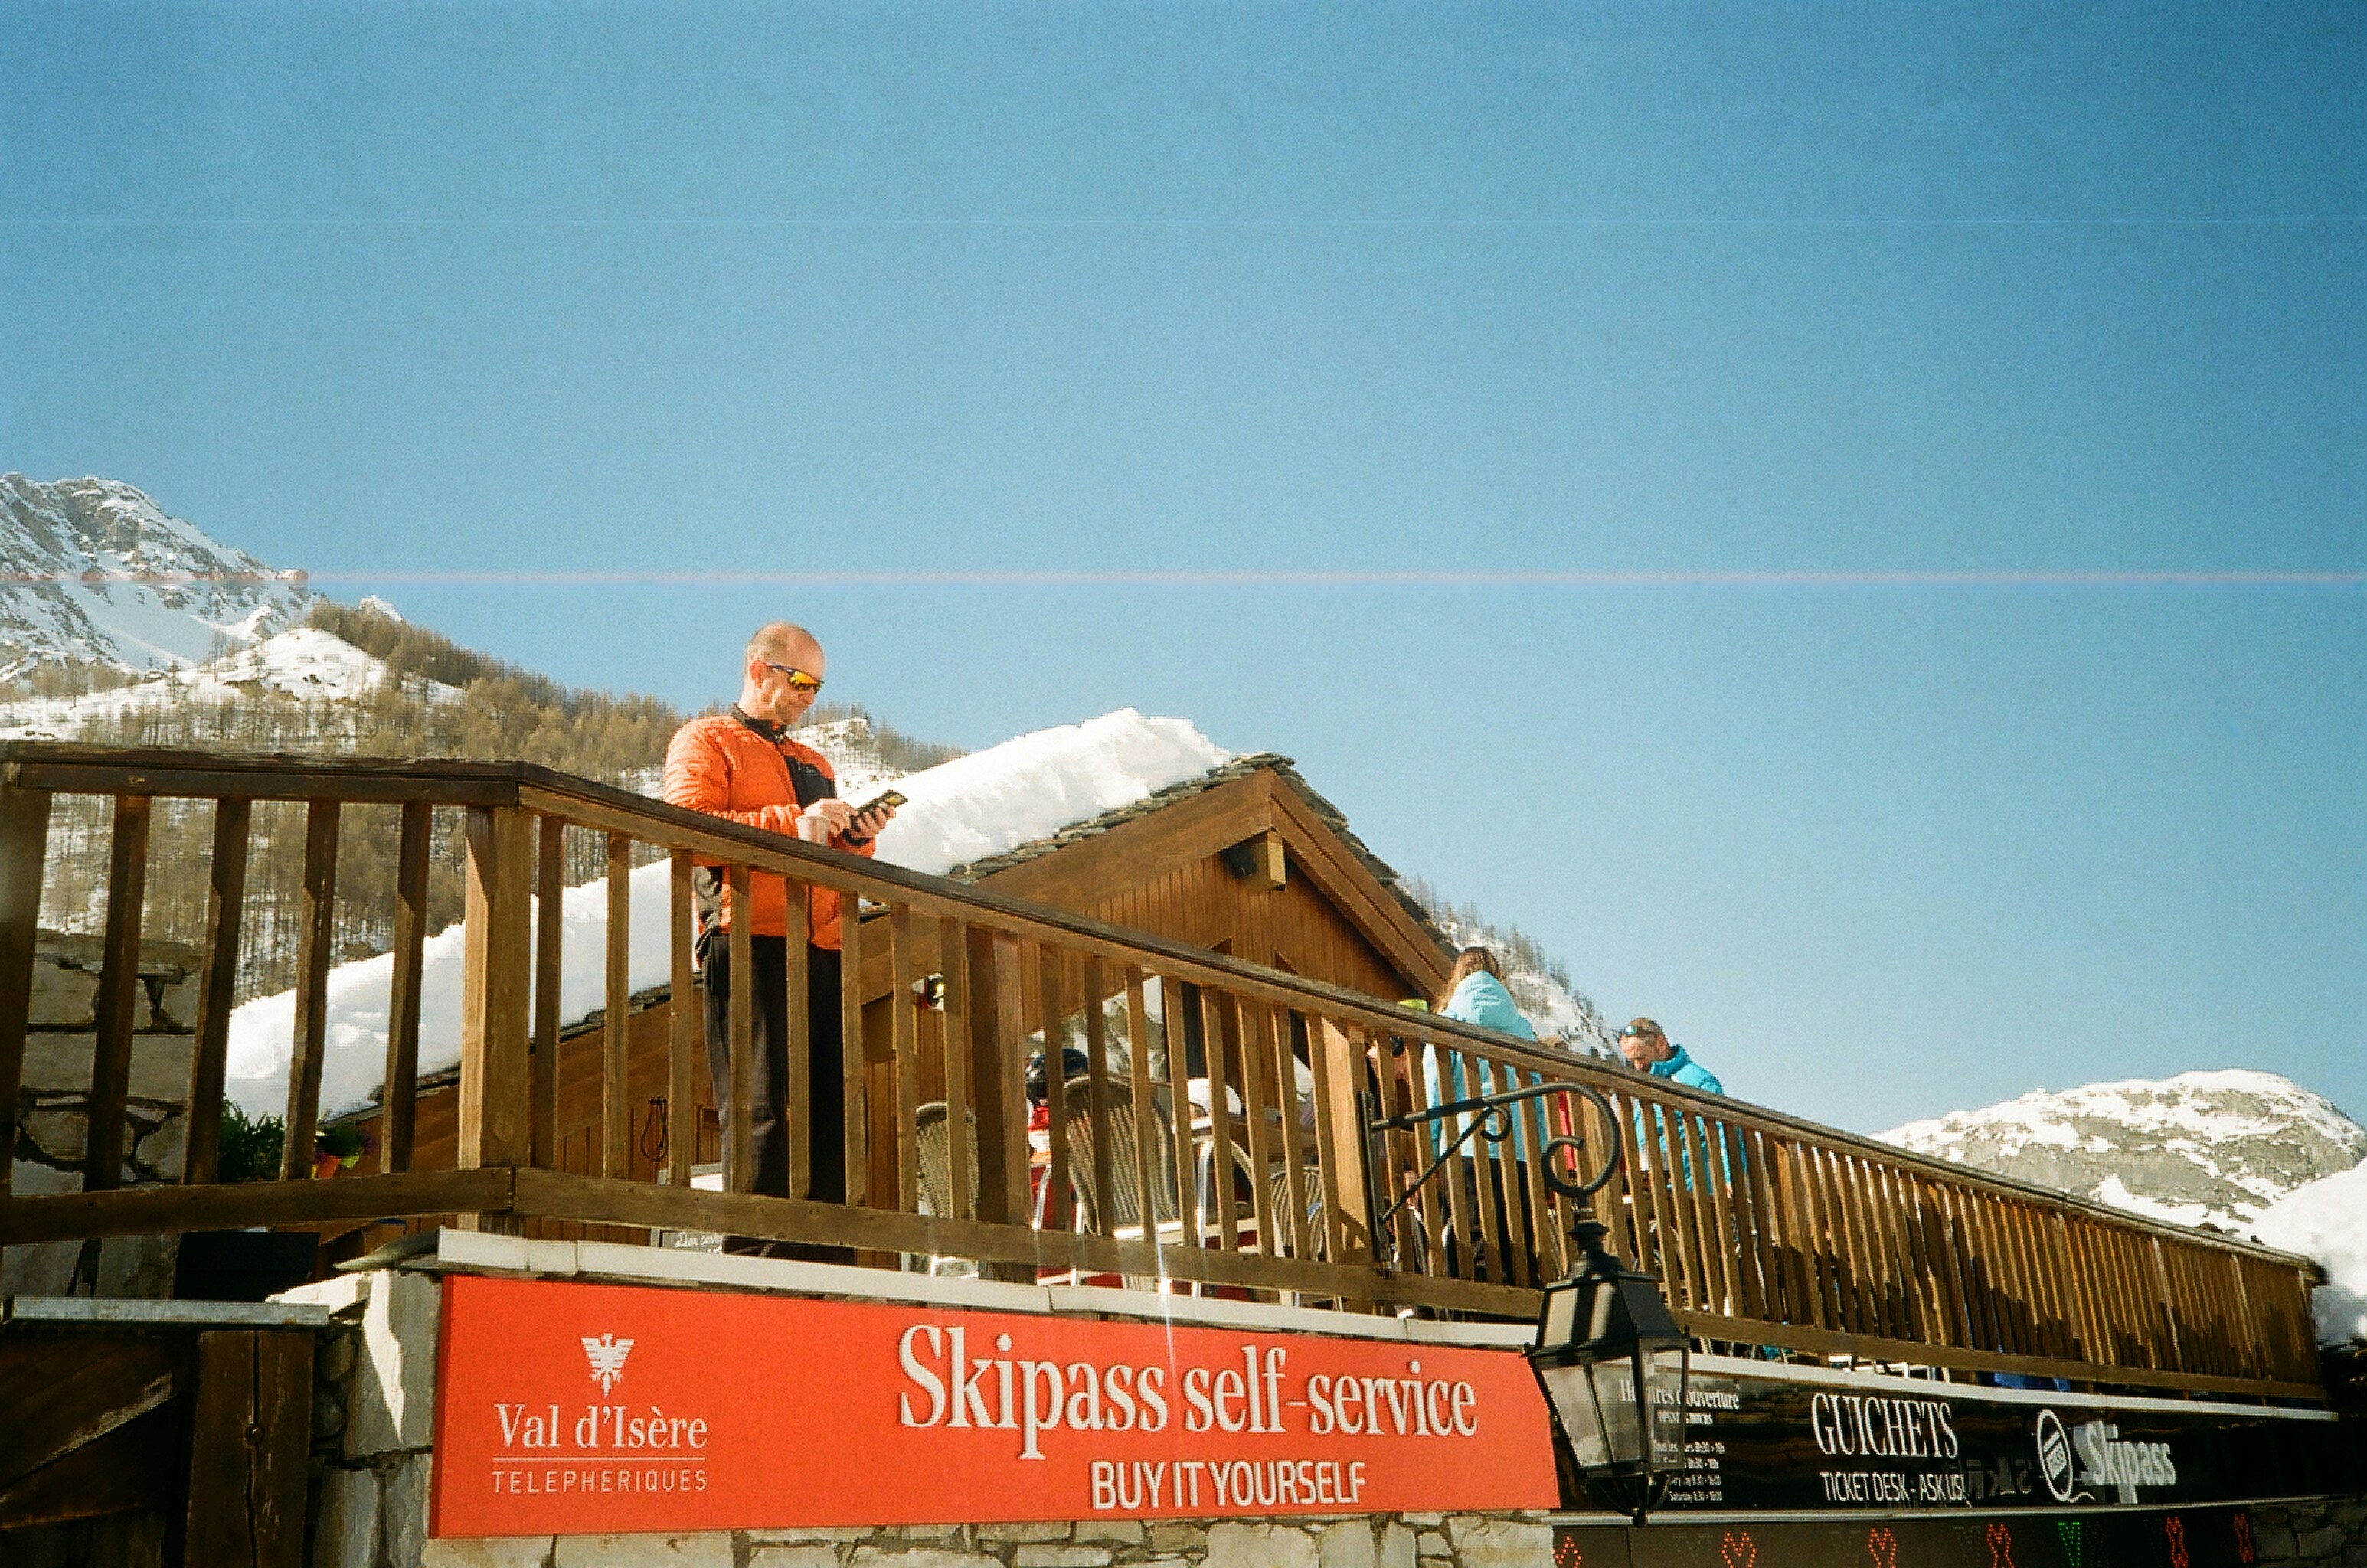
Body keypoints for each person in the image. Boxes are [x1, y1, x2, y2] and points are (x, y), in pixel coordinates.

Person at [662, 622, 897, 1248]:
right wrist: (796, 821)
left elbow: (823, 854)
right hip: (748, 940)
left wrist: (855, 836)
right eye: (799, 681)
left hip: (824, 947)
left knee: (837, 1116)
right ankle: (759, 1265)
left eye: (817, 687)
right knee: (762, 1109)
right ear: (758, 668)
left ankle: (826, 1266)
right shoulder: (705, 739)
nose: (809, 697)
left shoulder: (814, 762)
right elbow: (687, 827)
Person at [1614, 1017, 1723, 1094]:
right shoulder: (1643, 1087)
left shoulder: (1699, 1082)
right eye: (1632, 1061)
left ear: (1661, 1044)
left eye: (1641, 1057)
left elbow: (1718, 1126)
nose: (1638, 1066)